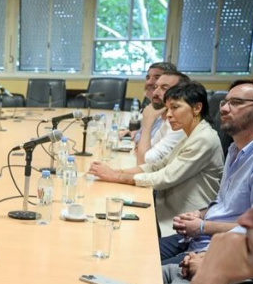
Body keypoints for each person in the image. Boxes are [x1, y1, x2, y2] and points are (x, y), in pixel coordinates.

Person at [159, 79, 253, 284]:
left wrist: (203, 227)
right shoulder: (234, 149)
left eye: (236, 102)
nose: (224, 108)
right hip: (200, 245)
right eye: (225, 102)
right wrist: (201, 214)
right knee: (133, 271)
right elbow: (225, 203)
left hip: (223, 261)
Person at [89, 82, 224, 237]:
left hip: (186, 224)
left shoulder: (204, 138)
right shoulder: (190, 134)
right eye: (168, 108)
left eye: (175, 107)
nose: (169, 115)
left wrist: (116, 177)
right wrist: (115, 171)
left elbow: (165, 177)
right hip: (167, 213)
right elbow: (157, 166)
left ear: (197, 108)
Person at [135, 70, 190, 165]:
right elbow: (144, 152)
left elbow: (143, 164)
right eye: (156, 87)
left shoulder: (180, 126)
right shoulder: (167, 122)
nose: (155, 93)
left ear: (181, 94)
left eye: (164, 88)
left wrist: (147, 124)